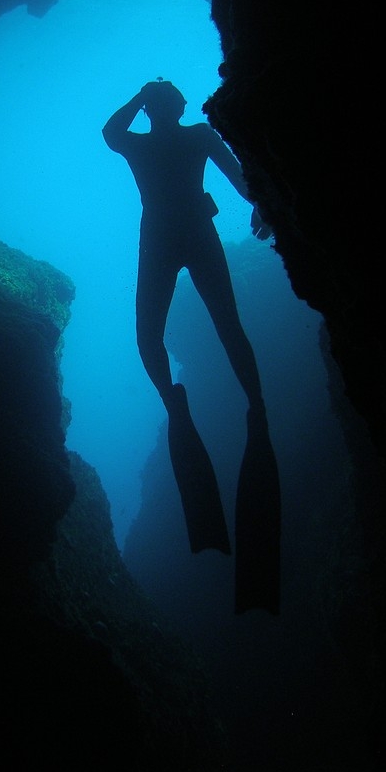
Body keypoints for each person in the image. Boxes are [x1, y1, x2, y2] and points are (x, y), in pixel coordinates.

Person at [102, 79, 280, 612]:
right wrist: (261, 202)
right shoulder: (195, 135)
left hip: (164, 237)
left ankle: (179, 404)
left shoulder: (153, 142)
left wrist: (140, 96)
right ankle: (249, 406)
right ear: (175, 106)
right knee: (225, 327)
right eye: (170, 99)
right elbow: (240, 178)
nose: (175, 103)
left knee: (156, 337)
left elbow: (111, 131)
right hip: (189, 236)